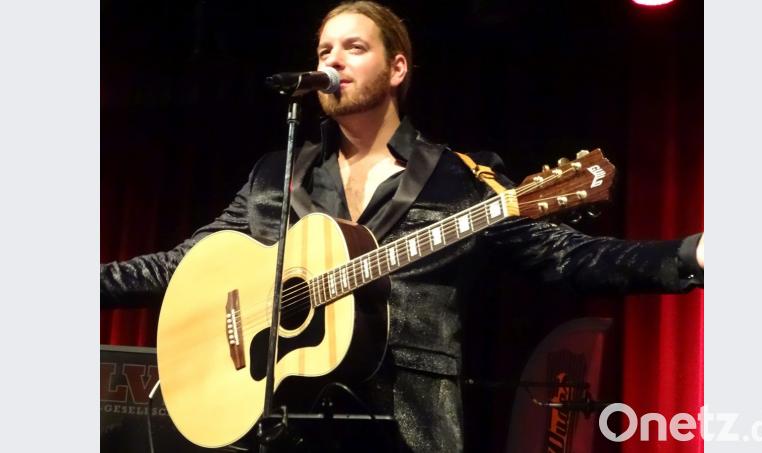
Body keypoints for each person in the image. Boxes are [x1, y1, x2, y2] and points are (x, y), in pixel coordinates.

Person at [101, 1, 703, 451]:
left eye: (352, 48)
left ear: (396, 68)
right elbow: (187, 263)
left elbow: (565, 255)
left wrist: (688, 254)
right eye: (323, 51)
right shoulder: (278, 176)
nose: (332, 60)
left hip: (409, 426)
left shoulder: (460, 179)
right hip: (283, 426)